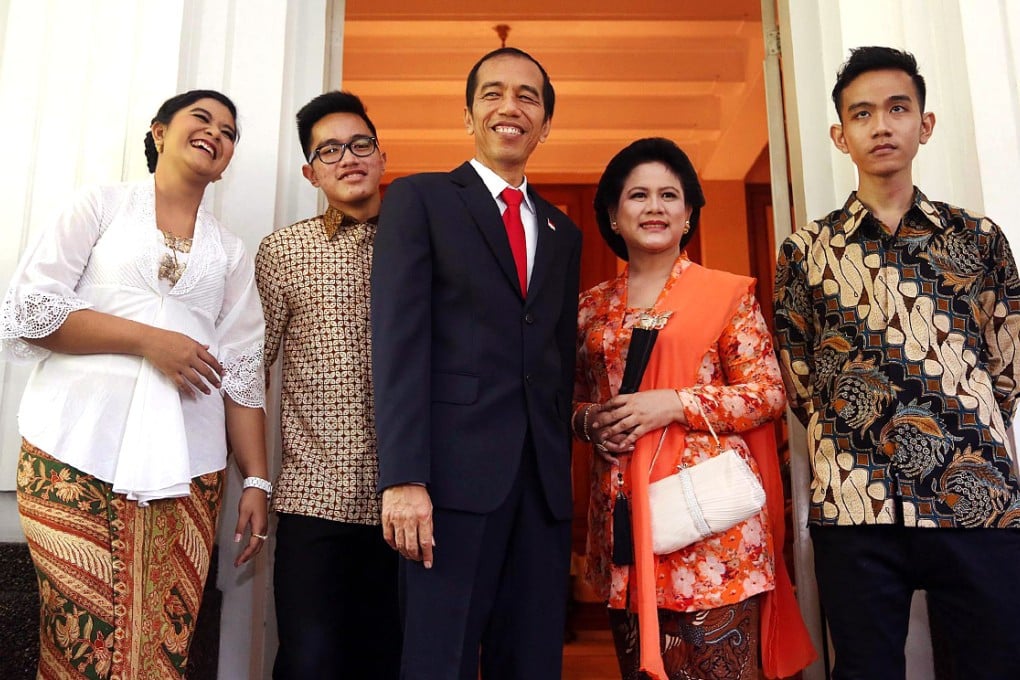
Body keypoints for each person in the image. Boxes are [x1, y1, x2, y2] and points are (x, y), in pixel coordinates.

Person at [0, 90, 269, 679]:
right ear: (158, 132)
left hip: (188, 466)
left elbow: (244, 373)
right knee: (78, 634)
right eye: (202, 119)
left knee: (160, 644)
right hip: (72, 449)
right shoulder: (101, 206)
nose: (216, 133)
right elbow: (31, 310)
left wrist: (256, 478)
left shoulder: (229, 250)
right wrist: (150, 340)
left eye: (229, 131)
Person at [773, 46, 1020, 679]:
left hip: (978, 497)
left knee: (990, 665)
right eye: (862, 114)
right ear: (841, 134)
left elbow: (1008, 362)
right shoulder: (806, 251)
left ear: (924, 125)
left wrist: (961, 413)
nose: (881, 125)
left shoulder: (979, 239)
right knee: (865, 670)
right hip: (857, 502)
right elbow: (798, 373)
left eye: (897, 108)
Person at [370, 47, 582, 679]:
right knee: (440, 659)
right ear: (468, 115)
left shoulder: (562, 231)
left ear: (545, 123)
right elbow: (398, 342)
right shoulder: (419, 200)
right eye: (492, 94)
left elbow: (557, 357)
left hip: (541, 489)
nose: (509, 107)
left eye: (528, 97)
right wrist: (404, 478)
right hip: (448, 484)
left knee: (534, 660)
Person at [574, 137, 815, 680]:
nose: (654, 207)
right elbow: (568, 401)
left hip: (712, 530)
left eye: (669, 195)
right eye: (638, 195)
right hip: (627, 522)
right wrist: (587, 421)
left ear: (688, 215)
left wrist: (674, 402)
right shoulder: (590, 307)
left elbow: (768, 392)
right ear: (613, 213)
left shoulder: (724, 294)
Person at [255, 90, 400, 679]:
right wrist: (253, 478)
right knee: (309, 662)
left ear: (382, 156)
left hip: (411, 502)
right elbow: (249, 369)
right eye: (331, 149)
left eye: (360, 143)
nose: (349, 157)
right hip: (315, 499)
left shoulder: (426, 245)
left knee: (396, 662)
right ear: (311, 172)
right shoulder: (283, 251)